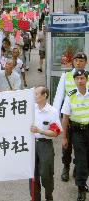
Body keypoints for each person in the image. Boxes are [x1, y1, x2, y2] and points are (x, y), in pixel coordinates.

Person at [53, 52, 89, 182]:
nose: (79, 63)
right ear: (73, 62)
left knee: (82, 149)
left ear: (86, 62)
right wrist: (54, 118)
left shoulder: (88, 76)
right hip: (68, 119)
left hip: (83, 119)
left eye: (81, 60)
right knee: (66, 147)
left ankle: (77, 167)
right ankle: (66, 167)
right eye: (76, 60)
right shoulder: (66, 76)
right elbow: (59, 97)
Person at [29, 86, 62, 201]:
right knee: (32, 173)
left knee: (46, 172)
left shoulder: (52, 111)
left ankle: (49, 196)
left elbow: (55, 132)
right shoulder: (31, 108)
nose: (35, 96)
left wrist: (40, 131)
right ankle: (35, 197)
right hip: (32, 144)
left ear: (45, 96)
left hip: (45, 144)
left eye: (37, 94)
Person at [61, 69, 89, 201]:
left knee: (86, 160)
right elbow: (65, 118)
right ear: (74, 81)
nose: (80, 81)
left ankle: (82, 179)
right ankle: (81, 188)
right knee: (82, 159)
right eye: (77, 79)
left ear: (86, 80)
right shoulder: (70, 95)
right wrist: (64, 137)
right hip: (77, 132)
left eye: (82, 78)